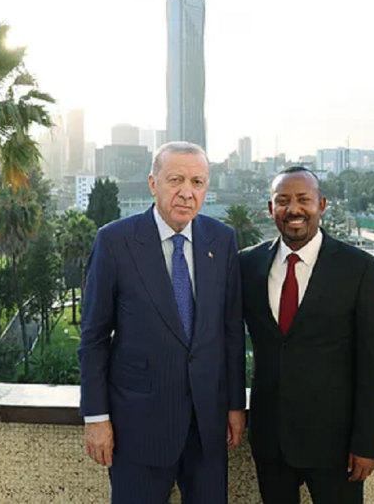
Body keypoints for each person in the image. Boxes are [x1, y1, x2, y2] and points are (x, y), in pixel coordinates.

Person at [79, 142, 246, 504]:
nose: (187, 192)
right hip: (138, 428)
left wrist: (236, 406)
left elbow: (232, 332)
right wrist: (95, 417)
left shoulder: (222, 240)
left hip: (208, 428)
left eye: (198, 182)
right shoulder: (115, 241)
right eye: (176, 180)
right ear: (153, 183)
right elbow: (93, 338)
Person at [240, 166, 374, 504]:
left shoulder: (358, 268)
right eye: (283, 201)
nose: (293, 209)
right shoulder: (247, 265)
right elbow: (228, 341)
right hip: (271, 441)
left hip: (336, 445)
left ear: (321, 205)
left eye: (303, 200)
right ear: (271, 208)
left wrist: (367, 443)